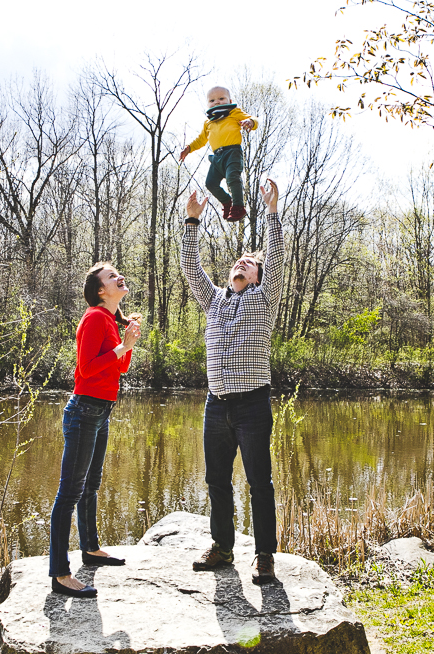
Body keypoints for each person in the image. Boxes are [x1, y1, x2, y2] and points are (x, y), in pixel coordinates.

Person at [180, 178, 284, 585]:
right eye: (237, 261)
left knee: (260, 483)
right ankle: (223, 548)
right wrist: (192, 221)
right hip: (216, 404)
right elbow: (190, 267)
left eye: (249, 263)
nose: (241, 263)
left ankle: (264, 556)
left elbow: (275, 258)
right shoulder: (214, 300)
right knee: (215, 480)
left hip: (253, 405)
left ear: (259, 276)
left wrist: (271, 212)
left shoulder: (264, 298)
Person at [49, 263, 141, 598]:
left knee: (91, 485)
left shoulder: (112, 321)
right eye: (111, 276)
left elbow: (119, 368)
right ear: (100, 290)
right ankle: (60, 573)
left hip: (101, 410)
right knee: (69, 492)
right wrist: (120, 347)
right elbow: (86, 370)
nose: (119, 276)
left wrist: (127, 344)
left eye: (120, 273)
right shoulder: (94, 317)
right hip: (84, 410)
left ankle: (90, 549)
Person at [179, 86, 258, 223]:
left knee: (232, 177)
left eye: (221, 99)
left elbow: (252, 118)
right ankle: (227, 202)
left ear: (229, 100)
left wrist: (250, 122)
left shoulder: (234, 113)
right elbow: (201, 140)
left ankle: (238, 206)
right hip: (217, 157)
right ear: (208, 103)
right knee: (210, 183)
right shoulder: (209, 122)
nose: (217, 102)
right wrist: (189, 148)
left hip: (232, 152)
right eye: (212, 100)